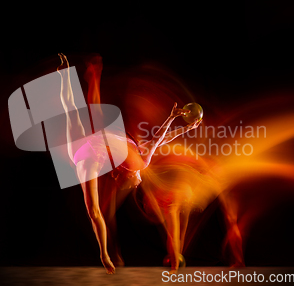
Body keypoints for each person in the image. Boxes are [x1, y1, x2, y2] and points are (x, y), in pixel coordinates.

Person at [56, 53, 201, 274]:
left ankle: (64, 76)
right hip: (94, 145)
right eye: (137, 184)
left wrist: (103, 252)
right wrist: (178, 123)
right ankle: (64, 75)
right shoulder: (137, 160)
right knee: (71, 110)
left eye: (134, 184)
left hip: (83, 153)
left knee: (70, 110)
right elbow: (162, 138)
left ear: (125, 176)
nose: (137, 184)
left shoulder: (127, 164)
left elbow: (95, 213)